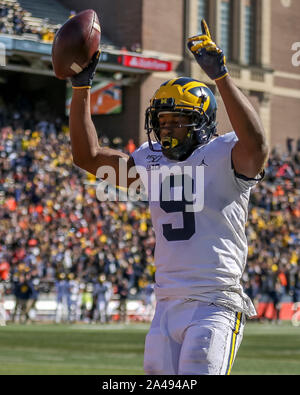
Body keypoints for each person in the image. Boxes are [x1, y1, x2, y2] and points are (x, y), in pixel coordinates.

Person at [68, 20, 269, 375]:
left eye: (178, 120)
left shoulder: (226, 154)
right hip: (164, 304)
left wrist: (221, 77)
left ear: (204, 122)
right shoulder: (150, 159)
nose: (167, 128)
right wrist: (82, 86)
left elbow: (258, 145)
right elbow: (87, 156)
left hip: (214, 301)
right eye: (162, 120)